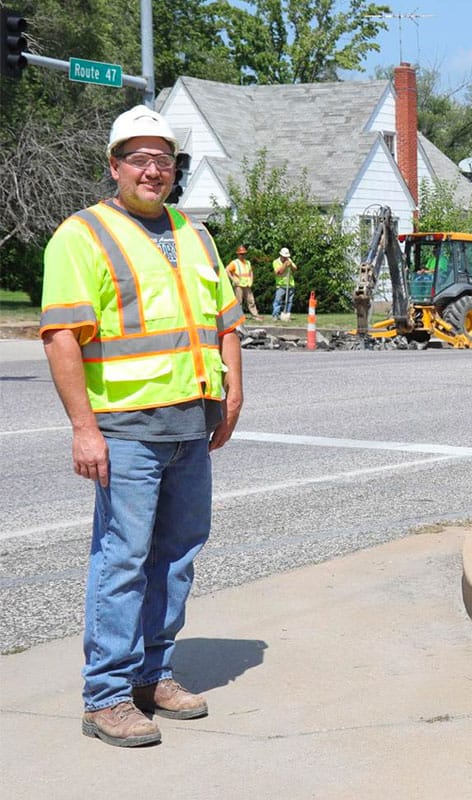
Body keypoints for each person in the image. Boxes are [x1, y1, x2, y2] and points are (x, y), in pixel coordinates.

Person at [39, 105, 244, 747]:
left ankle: (153, 674)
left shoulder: (195, 234)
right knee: (123, 558)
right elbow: (61, 337)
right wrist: (83, 428)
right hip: (126, 428)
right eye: (139, 158)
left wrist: (231, 397)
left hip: (191, 424)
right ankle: (105, 694)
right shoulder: (83, 234)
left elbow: (225, 322)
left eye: (164, 159)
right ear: (115, 166)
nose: (153, 169)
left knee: (178, 555)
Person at [227, 245, 261, 320]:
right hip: (238, 285)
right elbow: (227, 270)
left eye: (244, 254)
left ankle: (255, 315)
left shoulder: (248, 262)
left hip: (247, 284)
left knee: (251, 300)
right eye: (241, 254)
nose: (243, 255)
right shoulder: (234, 263)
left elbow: (250, 272)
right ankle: (238, 317)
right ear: (238, 254)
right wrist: (233, 279)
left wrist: (251, 280)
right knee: (239, 302)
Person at [272, 247, 297, 321]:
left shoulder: (289, 260)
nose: (286, 258)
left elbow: (295, 269)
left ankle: (287, 314)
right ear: (281, 255)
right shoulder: (275, 262)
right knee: (278, 300)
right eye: (284, 257)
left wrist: (291, 265)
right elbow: (279, 272)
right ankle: (276, 315)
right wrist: (285, 265)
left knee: (289, 301)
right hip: (281, 285)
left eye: (287, 257)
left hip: (290, 284)